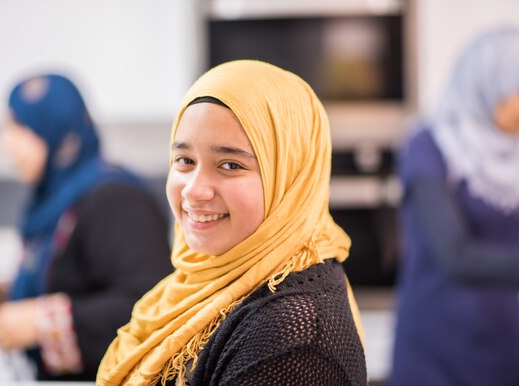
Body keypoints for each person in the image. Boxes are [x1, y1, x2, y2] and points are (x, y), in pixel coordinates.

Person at [96, 60, 368, 386]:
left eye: (230, 164)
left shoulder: (293, 341)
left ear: (289, 177)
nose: (195, 190)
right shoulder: (206, 279)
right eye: (185, 160)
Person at [0, 73, 173, 381]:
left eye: (18, 127)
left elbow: (150, 306)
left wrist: (39, 322)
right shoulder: (56, 201)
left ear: (55, 130)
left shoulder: (119, 201)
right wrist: (7, 293)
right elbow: (73, 280)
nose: (5, 144)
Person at [389, 26, 519, 386]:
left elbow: (514, 246)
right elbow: (457, 257)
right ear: (489, 86)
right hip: (437, 345)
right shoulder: (427, 147)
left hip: (505, 339)